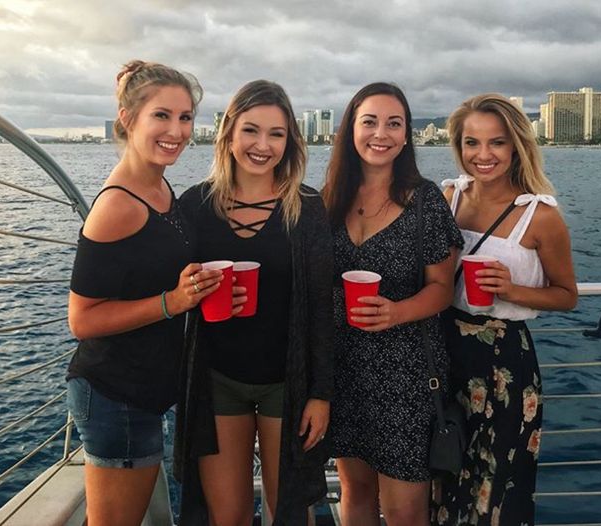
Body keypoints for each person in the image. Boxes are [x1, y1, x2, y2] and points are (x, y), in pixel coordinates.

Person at [65, 60, 227, 526]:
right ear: (127, 119)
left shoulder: (158, 185)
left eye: (185, 117)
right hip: (116, 391)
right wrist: (170, 303)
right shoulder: (118, 204)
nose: (176, 130)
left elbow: (156, 272)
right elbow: (83, 319)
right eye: (162, 115)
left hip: (146, 387)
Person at [173, 79, 334, 525]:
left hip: (288, 382)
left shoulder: (306, 207)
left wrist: (321, 394)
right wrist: (193, 289)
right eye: (251, 130)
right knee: (228, 516)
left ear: (290, 141)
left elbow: (323, 306)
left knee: (288, 513)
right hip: (218, 380)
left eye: (276, 134)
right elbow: (172, 289)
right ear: (228, 133)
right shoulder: (195, 206)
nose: (262, 145)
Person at [321, 82, 463, 526]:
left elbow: (443, 287)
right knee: (355, 491)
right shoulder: (329, 198)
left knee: (404, 509)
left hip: (406, 375)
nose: (380, 133)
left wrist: (396, 312)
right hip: (344, 371)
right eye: (369, 121)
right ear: (351, 130)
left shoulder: (425, 202)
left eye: (393, 123)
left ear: (406, 136)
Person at [436, 93, 577, 525]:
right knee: (441, 477)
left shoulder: (540, 215)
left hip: (503, 368)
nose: (483, 155)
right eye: (471, 143)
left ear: (515, 146)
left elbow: (566, 294)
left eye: (495, 143)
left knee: (495, 489)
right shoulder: (449, 197)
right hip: (442, 355)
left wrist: (512, 290)